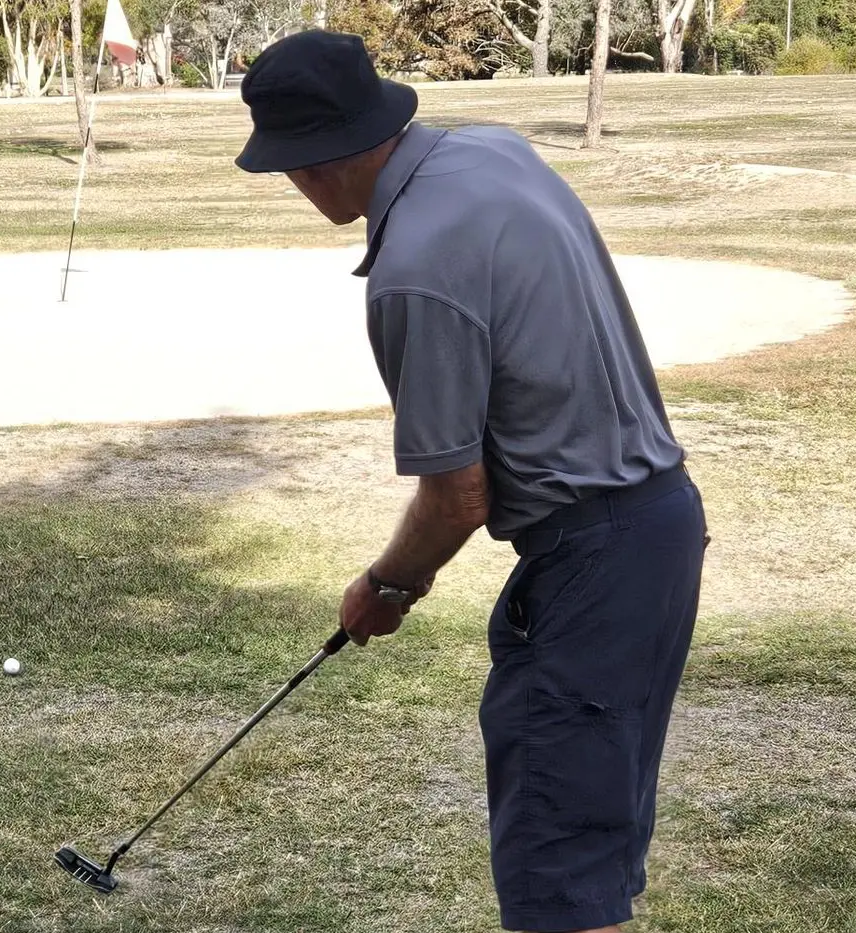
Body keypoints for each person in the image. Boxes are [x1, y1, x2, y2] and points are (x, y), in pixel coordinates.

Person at [235, 30, 710, 933]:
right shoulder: (491, 146)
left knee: (559, 871)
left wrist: (386, 587)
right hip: (662, 524)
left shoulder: (412, 274)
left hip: (594, 561)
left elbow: (458, 495)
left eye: (289, 165)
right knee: (591, 849)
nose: (292, 185)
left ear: (317, 161)